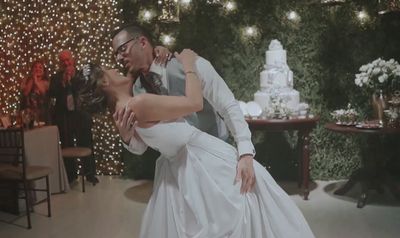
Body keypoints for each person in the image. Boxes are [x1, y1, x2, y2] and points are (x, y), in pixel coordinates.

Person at [78, 49, 315, 237]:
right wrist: (190, 62)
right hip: (200, 158)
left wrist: (127, 136)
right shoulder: (136, 104)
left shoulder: (123, 110)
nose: (117, 64)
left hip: (188, 163)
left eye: (122, 51)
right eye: (109, 68)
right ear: (105, 84)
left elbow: (148, 137)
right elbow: (194, 103)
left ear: (141, 42)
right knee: (249, 207)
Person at [111, 24, 256, 193]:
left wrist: (245, 152)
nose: (119, 58)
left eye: (122, 49)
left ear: (142, 42)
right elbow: (142, 146)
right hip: (177, 171)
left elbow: (227, 105)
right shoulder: (137, 90)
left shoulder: (191, 64)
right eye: (115, 54)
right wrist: (127, 137)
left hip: (214, 157)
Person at [48, 50, 98, 184]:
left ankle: (90, 174)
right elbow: (51, 93)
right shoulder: (56, 77)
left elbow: (87, 89)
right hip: (64, 117)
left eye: (68, 60)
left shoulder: (82, 74)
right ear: (60, 63)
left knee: (86, 143)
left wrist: (73, 78)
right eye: (63, 60)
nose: (66, 63)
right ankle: (71, 175)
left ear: (73, 59)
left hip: (81, 115)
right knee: (67, 146)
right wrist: (63, 83)